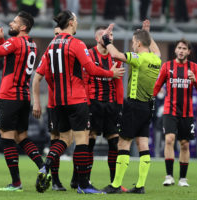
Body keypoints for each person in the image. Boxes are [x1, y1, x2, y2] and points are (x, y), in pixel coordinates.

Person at [33, 10, 125, 194]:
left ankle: (46, 165)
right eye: (76, 20)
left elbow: (42, 75)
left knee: (64, 139)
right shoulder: (77, 44)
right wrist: (111, 73)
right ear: (71, 23)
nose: (77, 23)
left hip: (58, 101)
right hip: (76, 98)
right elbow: (91, 68)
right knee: (82, 140)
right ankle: (83, 185)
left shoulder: (52, 45)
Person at [0, 11, 47, 192]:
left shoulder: (16, 42)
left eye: (14, 22)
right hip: (23, 97)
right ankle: (43, 167)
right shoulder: (32, 45)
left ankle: (16, 183)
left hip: (9, 96)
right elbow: (15, 60)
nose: (10, 23)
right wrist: (2, 40)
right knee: (21, 137)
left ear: (23, 27)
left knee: (7, 137)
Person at [102, 20, 161, 194]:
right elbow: (155, 49)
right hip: (148, 106)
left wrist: (107, 41)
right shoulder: (156, 59)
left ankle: (115, 185)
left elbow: (117, 55)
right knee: (143, 143)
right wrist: (147, 32)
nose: (133, 45)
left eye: (134, 42)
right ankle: (140, 185)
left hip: (133, 105)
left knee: (124, 142)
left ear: (139, 43)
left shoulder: (139, 58)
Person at [153, 39, 197, 187]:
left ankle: (183, 178)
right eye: (179, 48)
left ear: (189, 52)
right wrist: (148, 99)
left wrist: (194, 80)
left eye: (184, 48)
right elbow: (157, 86)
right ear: (175, 50)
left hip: (187, 112)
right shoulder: (167, 66)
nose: (181, 50)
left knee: (184, 144)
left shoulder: (194, 68)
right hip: (170, 110)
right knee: (169, 139)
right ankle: (169, 176)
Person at [77, 26, 124, 186]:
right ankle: (85, 179)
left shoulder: (115, 57)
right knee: (90, 140)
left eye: (111, 35)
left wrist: (119, 105)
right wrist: (86, 104)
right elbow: (84, 80)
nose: (109, 38)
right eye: (106, 35)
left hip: (111, 104)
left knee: (114, 142)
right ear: (98, 38)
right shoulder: (88, 55)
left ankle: (114, 182)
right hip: (93, 103)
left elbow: (118, 83)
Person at [32, 26, 68, 192]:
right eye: (55, 34)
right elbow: (37, 79)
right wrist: (37, 102)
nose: (57, 37)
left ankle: (56, 181)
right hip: (62, 104)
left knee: (56, 141)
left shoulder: (53, 53)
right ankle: (51, 174)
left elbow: (37, 79)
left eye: (58, 34)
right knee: (67, 139)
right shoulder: (55, 53)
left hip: (56, 104)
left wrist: (37, 102)